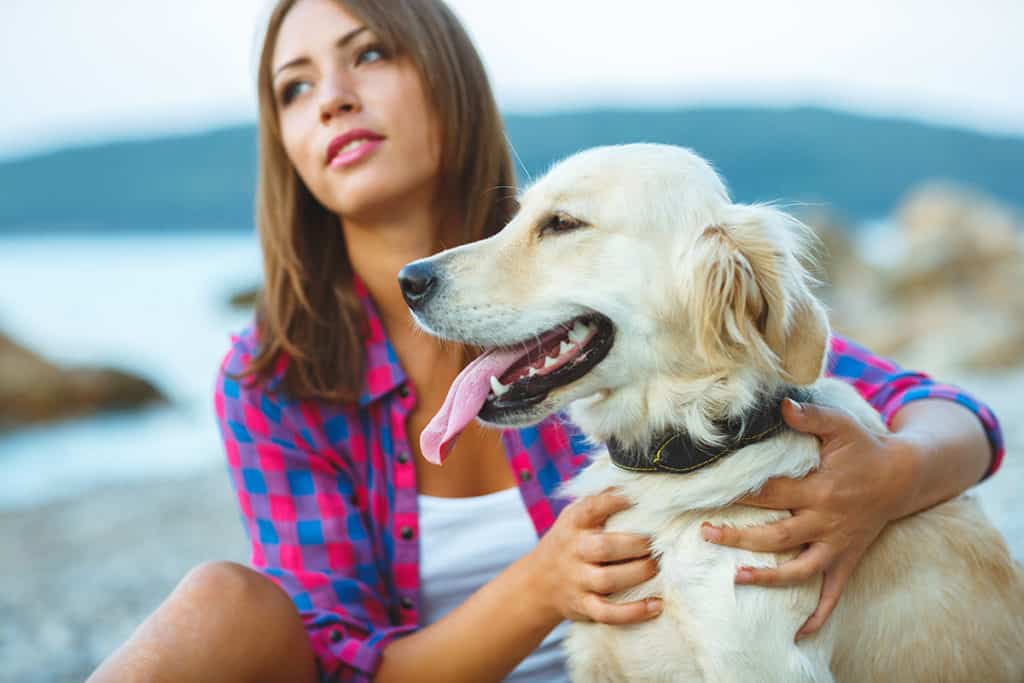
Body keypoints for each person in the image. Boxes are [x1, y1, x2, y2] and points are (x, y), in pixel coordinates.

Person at [87, 0, 1005, 681]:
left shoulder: (643, 314)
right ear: (283, 141)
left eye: (368, 54)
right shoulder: (271, 379)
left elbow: (932, 405)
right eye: (294, 88)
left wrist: (888, 478)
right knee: (221, 599)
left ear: (446, 81)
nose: (331, 99)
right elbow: (334, 663)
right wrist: (540, 585)